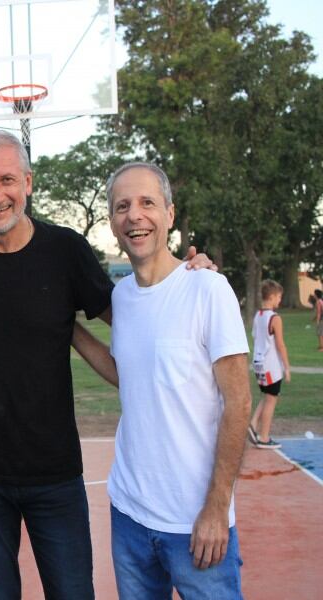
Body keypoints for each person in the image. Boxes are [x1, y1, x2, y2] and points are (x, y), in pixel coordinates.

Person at [0, 131, 213, 599]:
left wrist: (184, 276)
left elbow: (136, 314)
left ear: (28, 182)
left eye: (7, 180)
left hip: (54, 474)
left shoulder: (65, 249)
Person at [103, 162, 251, 599]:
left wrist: (216, 508)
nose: (135, 215)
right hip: (129, 515)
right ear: (113, 222)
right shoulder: (121, 296)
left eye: (147, 202)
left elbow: (239, 403)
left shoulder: (207, 288)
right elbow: (130, 375)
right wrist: (66, 330)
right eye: (122, 206)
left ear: (169, 213)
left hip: (195, 523)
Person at [249, 280, 291, 449]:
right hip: (271, 366)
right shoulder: (275, 318)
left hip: (259, 363)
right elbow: (280, 344)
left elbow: (255, 337)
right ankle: (264, 438)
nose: (280, 300)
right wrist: (287, 367)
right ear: (272, 297)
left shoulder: (258, 315)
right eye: (279, 297)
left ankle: (252, 425)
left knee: (267, 396)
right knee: (272, 399)